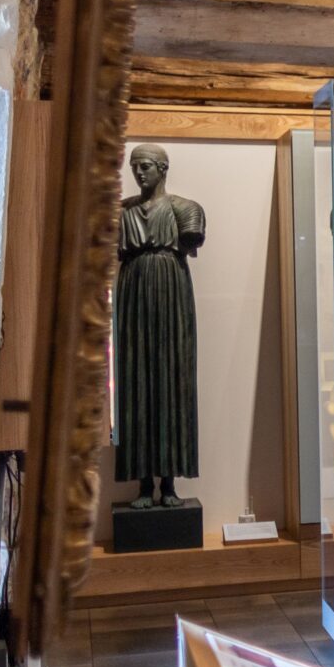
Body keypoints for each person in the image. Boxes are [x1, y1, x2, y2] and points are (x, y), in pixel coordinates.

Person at [114, 144, 205, 508]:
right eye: (134, 167)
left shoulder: (185, 209)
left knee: (172, 379)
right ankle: (142, 485)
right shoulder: (121, 211)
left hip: (171, 291)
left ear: (163, 169)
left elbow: (191, 238)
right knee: (135, 380)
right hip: (134, 291)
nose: (139, 173)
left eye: (146, 166)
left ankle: (168, 483)